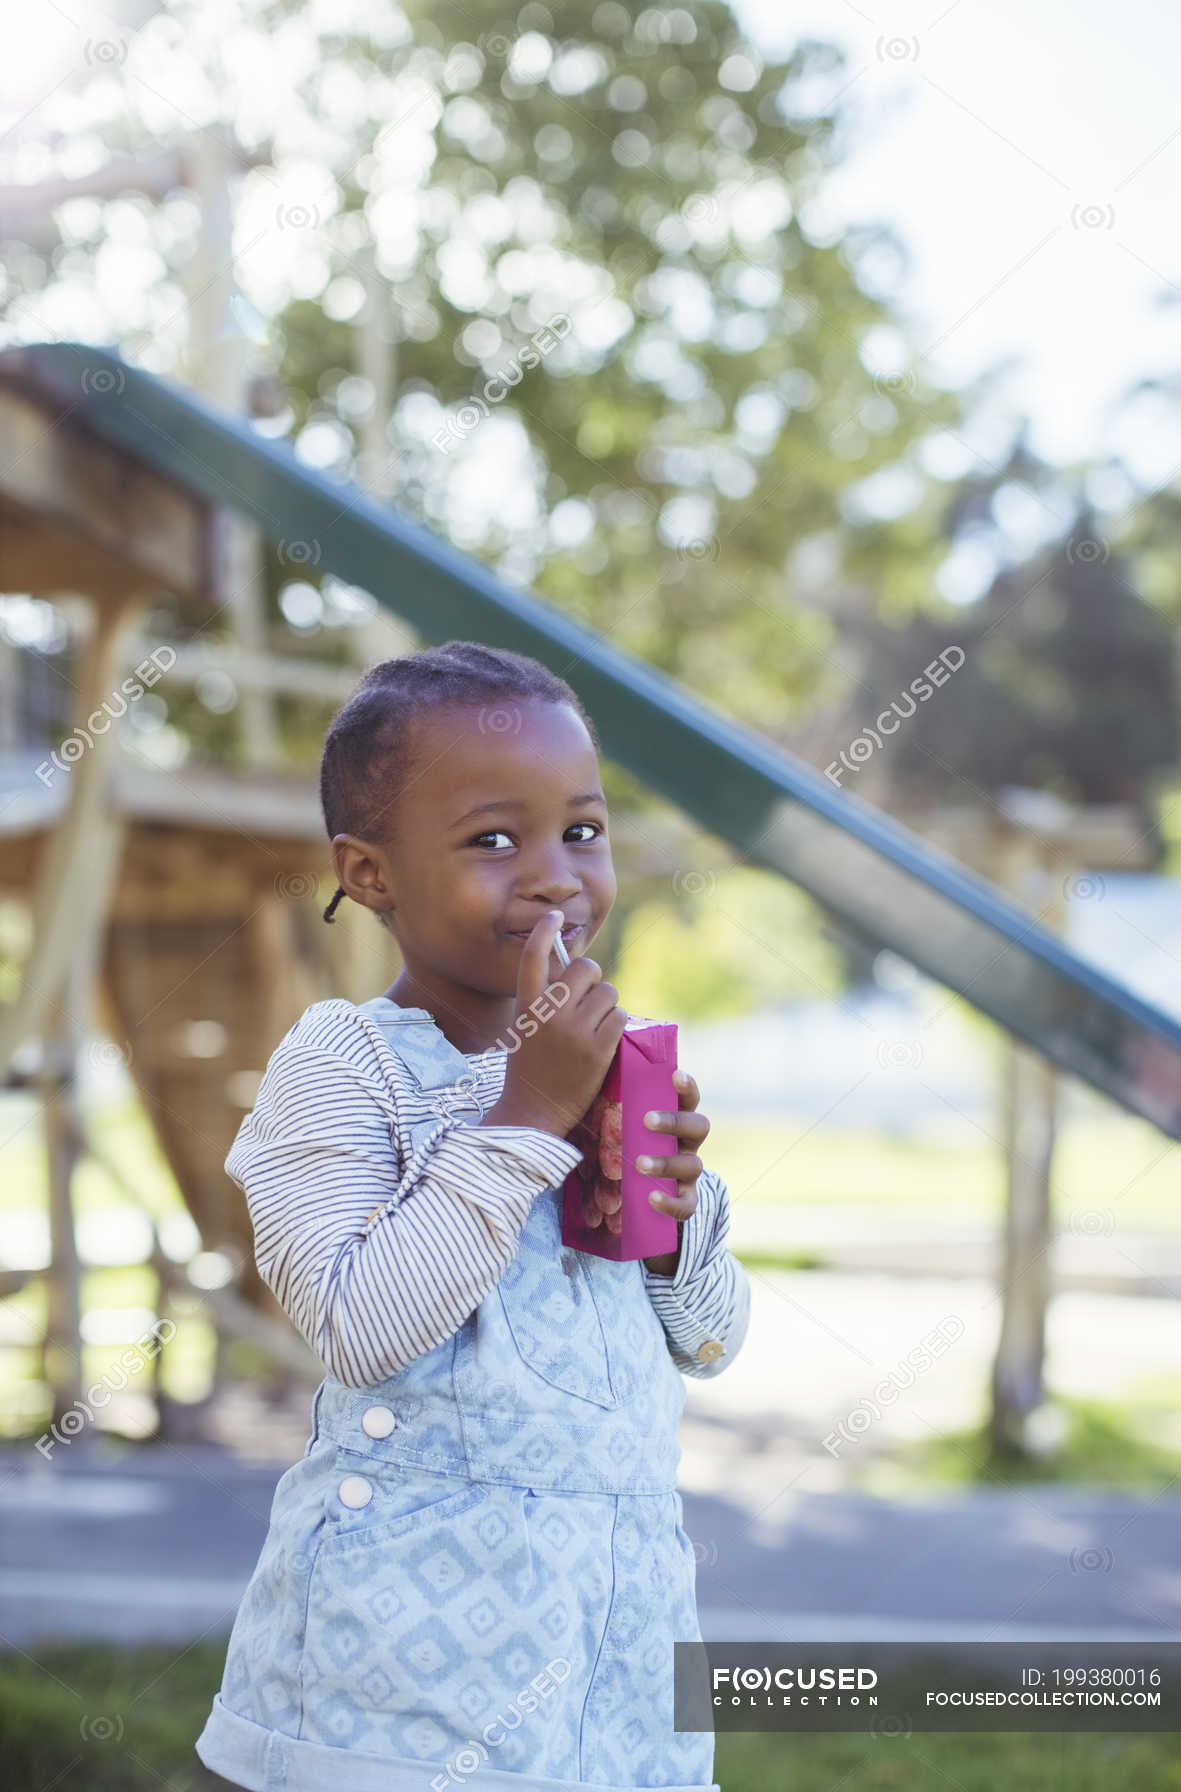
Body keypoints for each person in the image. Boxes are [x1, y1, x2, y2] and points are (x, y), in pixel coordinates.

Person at [195, 639, 752, 1792]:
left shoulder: (611, 1054)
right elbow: (358, 1324)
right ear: (374, 872)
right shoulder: (345, 1065)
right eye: (494, 840)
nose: (554, 875)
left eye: (581, 832)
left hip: (615, 1654)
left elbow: (709, 1340)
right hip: (400, 1675)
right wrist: (528, 1115)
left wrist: (678, 1211)